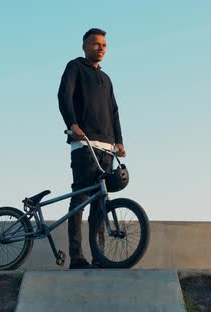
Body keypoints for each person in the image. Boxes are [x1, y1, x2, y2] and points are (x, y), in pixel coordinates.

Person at [58, 28, 126, 269]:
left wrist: (119, 141)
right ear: (85, 46)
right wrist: (72, 124)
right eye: (96, 44)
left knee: (100, 204)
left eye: (104, 45)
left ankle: (100, 257)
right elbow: (64, 95)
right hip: (84, 145)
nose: (101, 48)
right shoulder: (75, 67)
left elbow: (114, 111)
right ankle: (76, 258)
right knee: (81, 198)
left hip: (107, 148)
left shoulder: (106, 79)